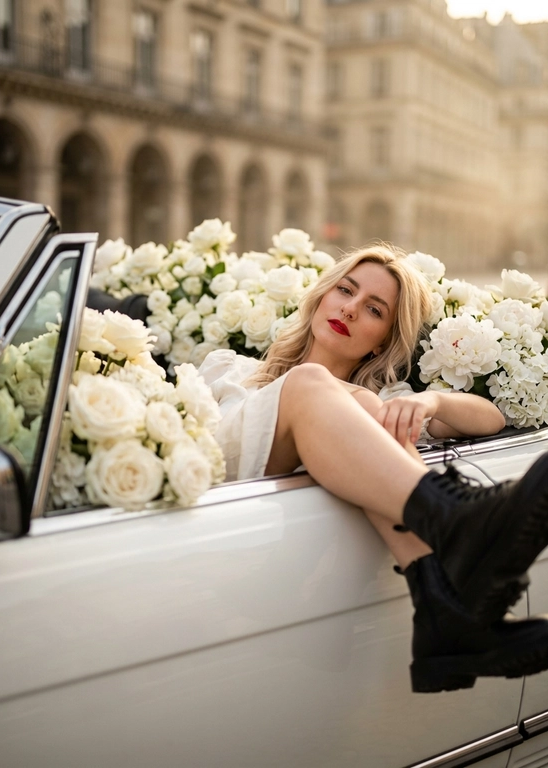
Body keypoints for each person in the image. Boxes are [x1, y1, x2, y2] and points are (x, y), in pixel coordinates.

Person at [199, 244, 548, 693]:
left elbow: (491, 418)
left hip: (280, 522)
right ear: (322, 296)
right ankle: (454, 542)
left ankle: (442, 606)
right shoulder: (232, 369)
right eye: (345, 290)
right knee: (319, 385)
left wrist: (432, 399)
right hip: (232, 471)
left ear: (383, 338)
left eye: (374, 309)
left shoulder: (381, 401)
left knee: (366, 405)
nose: (350, 308)